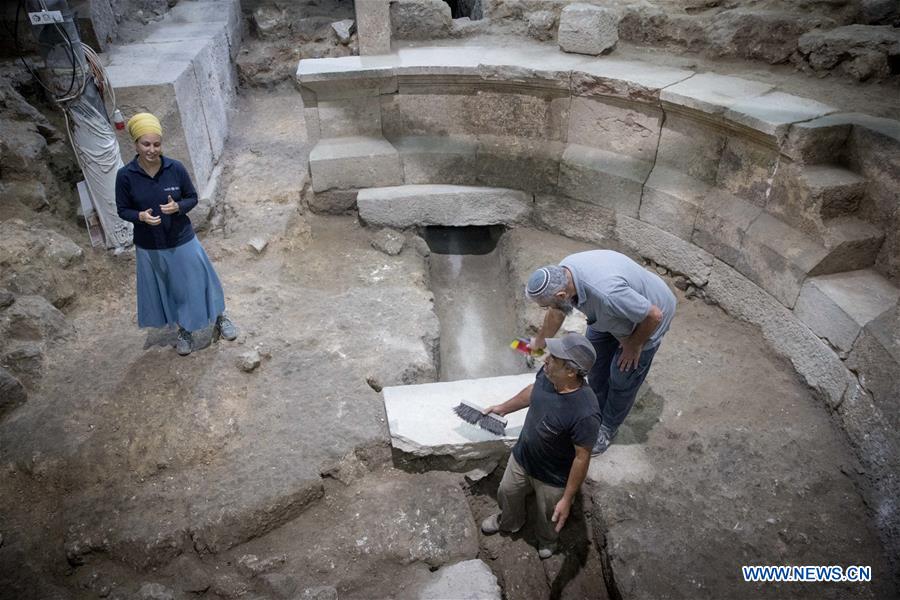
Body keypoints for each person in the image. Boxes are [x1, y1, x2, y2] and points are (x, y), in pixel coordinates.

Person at [525, 250, 676, 455]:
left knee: (622, 378)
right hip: (607, 315)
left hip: (647, 318)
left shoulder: (608, 294)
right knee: (593, 364)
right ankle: (595, 413)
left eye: (545, 305)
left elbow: (653, 316)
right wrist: (539, 343)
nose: (546, 308)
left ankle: (607, 427)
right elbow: (557, 310)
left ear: (561, 295)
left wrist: (634, 344)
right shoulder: (564, 273)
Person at [115, 112, 237, 356]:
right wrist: (140, 217)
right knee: (172, 289)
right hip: (150, 245)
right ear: (135, 144)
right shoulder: (126, 176)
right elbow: (122, 209)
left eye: (156, 144)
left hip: (181, 238)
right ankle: (184, 331)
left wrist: (178, 207)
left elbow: (191, 197)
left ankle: (219, 317)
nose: (152, 149)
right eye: (146, 144)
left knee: (202, 280)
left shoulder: (175, 168)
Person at [480, 333, 600, 559]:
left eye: (554, 358)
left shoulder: (585, 413)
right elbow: (532, 391)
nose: (545, 359)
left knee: (549, 514)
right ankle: (509, 521)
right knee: (507, 492)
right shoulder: (549, 375)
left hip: (553, 476)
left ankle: (547, 539)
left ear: (571, 372)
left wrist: (567, 497)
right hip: (523, 457)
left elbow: (582, 458)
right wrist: (504, 407)